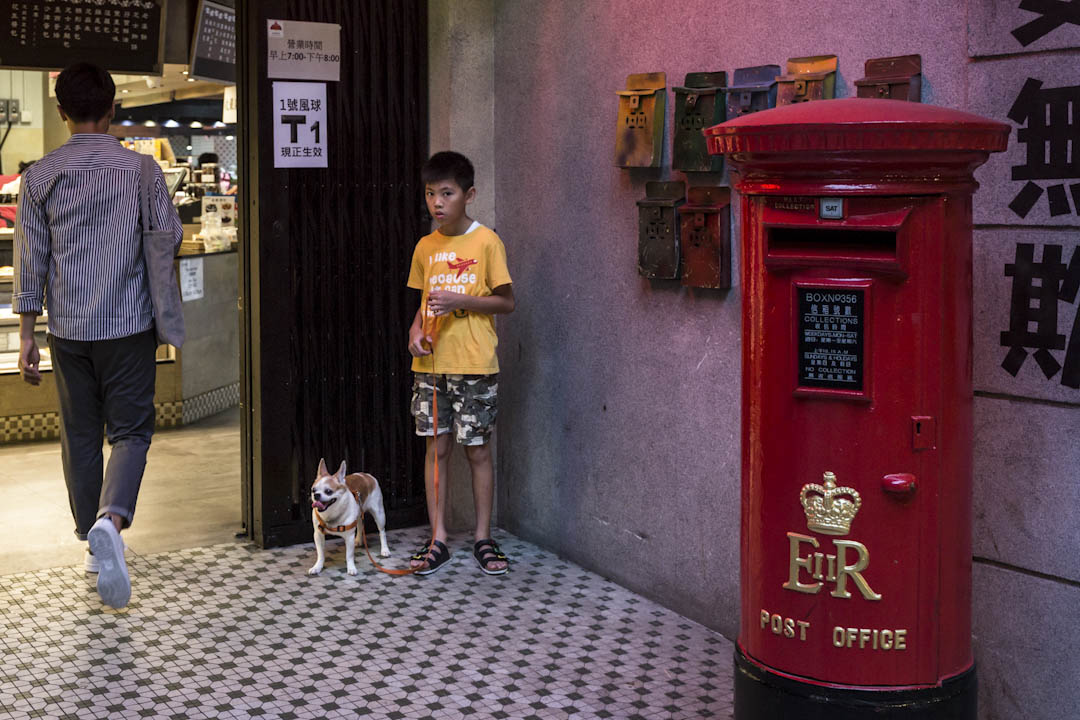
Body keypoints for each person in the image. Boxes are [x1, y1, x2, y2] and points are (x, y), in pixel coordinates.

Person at [13, 62, 182, 608]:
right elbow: (169, 235)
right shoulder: (142, 172)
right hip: (129, 325)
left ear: (61, 113)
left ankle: (92, 537)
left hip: (67, 329)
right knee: (131, 432)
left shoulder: (38, 177)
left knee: (80, 435)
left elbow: (30, 259)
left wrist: (26, 334)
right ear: (113, 109)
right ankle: (112, 519)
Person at [406, 151, 514, 576]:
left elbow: (506, 302)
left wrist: (462, 302)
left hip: (475, 364)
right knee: (437, 449)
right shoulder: (425, 247)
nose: (437, 202)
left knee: (478, 451)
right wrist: (414, 333)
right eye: (431, 193)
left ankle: (484, 538)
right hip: (432, 367)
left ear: (468, 195)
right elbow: (423, 304)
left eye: (446, 193)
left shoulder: (486, 241)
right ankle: (438, 539)